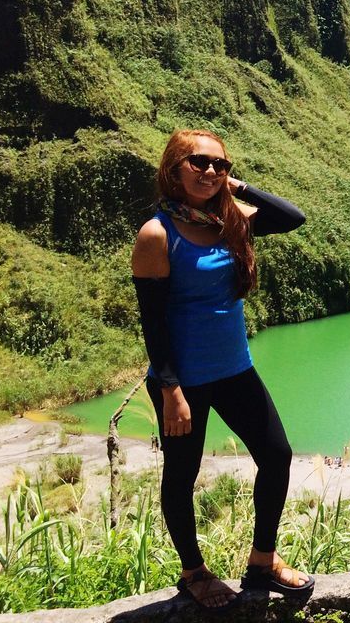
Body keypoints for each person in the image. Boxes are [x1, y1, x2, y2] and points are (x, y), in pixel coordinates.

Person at [131, 128, 313, 610]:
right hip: (183, 380)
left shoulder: (229, 220)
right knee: (182, 473)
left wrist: (240, 188)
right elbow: (152, 321)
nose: (210, 171)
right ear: (174, 169)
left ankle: (262, 561)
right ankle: (193, 572)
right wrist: (169, 388)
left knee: (276, 455)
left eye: (219, 164)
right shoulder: (157, 233)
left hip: (235, 369)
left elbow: (293, 217)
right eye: (198, 163)